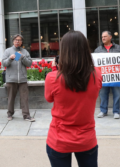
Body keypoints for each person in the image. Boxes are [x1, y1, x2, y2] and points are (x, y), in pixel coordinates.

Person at [45, 30, 102, 167]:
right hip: (86, 138)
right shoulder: (97, 74)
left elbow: (49, 98)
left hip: (59, 139)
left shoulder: (53, 77)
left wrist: (55, 70)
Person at [2, 34, 35, 122]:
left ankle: (26, 115)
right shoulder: (8, 51)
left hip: (22, 79)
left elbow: (29, 63)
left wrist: (23, 57)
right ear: (13, 41)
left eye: (19, 40)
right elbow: (4, 63)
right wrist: (10, 58)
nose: (17, 41)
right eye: (16, 40)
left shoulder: (25, 52)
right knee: (11, 98)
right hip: (11, 79)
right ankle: (10, 114)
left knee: (24, 98)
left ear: (21, 42)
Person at [94, 31, 120, 119]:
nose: (103, 38)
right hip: (103, 77)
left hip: (116, 76)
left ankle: (116, 111)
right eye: (102, 36)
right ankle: (103, 111)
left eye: (105, 36)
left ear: (110, 37)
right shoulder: (97, 50)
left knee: (117, 94)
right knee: (103, 94)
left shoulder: (119, 49)